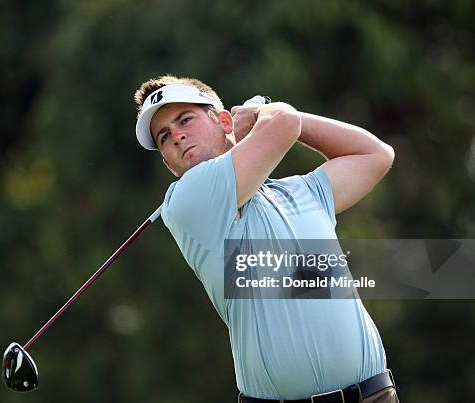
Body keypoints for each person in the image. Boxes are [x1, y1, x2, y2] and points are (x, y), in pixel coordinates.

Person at [133, 75, 398, 403]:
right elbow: (284, 123)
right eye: (164, 136)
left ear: (225, 121)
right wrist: (261, 111)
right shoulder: (187, 200)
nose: (177, 136)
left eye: (185, 119)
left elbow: (376, 155)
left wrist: (270, 118)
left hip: (373, 395)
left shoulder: (299, 191)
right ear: (168, 163)